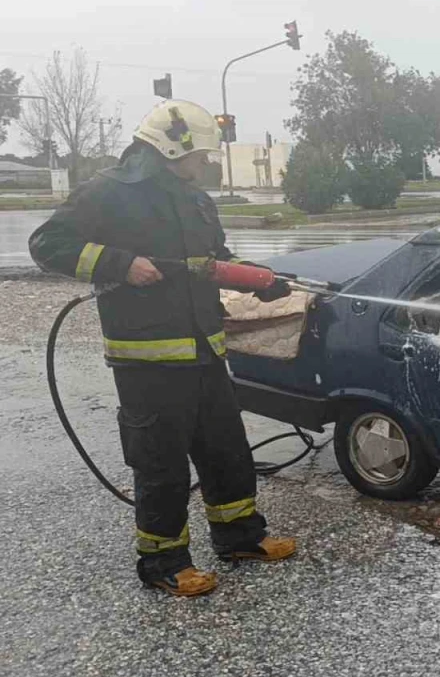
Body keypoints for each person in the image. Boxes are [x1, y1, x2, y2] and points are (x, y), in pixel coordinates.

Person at [29, 99, 296, 597]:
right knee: (161, 463)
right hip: (147, 362)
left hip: (205, 353)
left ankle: (240, 536)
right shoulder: (108, 193)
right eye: (202, 156)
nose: (207, 165)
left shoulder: (195, 200)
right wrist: (118, 262)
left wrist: (260, 281)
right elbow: (47, 244)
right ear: (175, 147)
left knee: (227, 452)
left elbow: (214, 260)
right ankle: (162, 562)